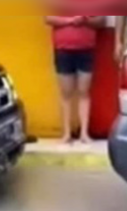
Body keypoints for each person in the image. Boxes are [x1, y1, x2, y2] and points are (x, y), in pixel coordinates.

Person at [46, 15, 103, 144]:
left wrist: (86, 21)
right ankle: (66, 133)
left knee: (84, 92)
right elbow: (48, 18)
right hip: (63, 49)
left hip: (86, 49)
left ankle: (84, 133)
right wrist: (70, 21)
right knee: (66, 93)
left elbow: (101, 21)